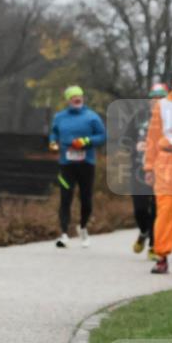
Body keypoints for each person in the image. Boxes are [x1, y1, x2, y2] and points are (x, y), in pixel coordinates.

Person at [49, 86, 106, 248]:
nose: (77, 98)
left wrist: (86, 141)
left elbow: (102, 136)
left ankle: (83, 227)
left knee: (86, 199)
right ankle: (64, 234)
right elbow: (54, 133)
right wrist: (52, 142)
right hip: (66, 164)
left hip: (86, 163)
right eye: (73, 96)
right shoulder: (60, 117)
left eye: (79, 96)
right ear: (68, 100)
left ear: (83, 98)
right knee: (65, 197)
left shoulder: (91, 116)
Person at [129, 83, 167, 257]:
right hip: (139, 169)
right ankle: (144, 231)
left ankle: (153, 245)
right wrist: (135, 146)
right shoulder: (139, 117)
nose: (157, 101)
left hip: (162, 170)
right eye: (154, 97)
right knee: (140, 209)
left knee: (157, 209)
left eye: (161, 97)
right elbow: (124, 139)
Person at [143, 80, 172, 274]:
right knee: (165, 210)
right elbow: (153, 138)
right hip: (166, 162)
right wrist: (149, 167)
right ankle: (162, 256)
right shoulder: (162, 106)